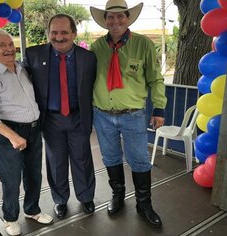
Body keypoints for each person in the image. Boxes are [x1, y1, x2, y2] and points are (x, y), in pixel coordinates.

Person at [90, 0, 167, 228]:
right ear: (105, 20)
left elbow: (156, 79)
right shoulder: (96, 48)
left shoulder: (143, 44)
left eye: (120, 16)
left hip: (133, 114)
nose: (115, 21)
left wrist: (159, 109)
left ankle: (144, 204)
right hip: (102, 114)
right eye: (110, 17)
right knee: (110, 157)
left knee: (140, 160)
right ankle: (118, 195)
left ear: (128, 18)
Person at [0, 30, 53, 236]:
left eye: (10, 44)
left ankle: (32, 210)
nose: (9, 48)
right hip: (10, 131)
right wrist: (12, 135)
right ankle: (10, 218)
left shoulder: (22, 69)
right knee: (10, 178)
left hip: (33, 129)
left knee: (34, 174)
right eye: (2, 45)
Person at [24, 14, 97, 219]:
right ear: (48, 33)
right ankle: (60, 200)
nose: (59, 37)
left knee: (82, 159)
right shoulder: (33, 55)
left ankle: (86, 197)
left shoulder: (88, 58)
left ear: (73, 33)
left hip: (78, 117)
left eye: (64, 32)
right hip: (51, 119)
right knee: (56, 162)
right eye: (54, 32)